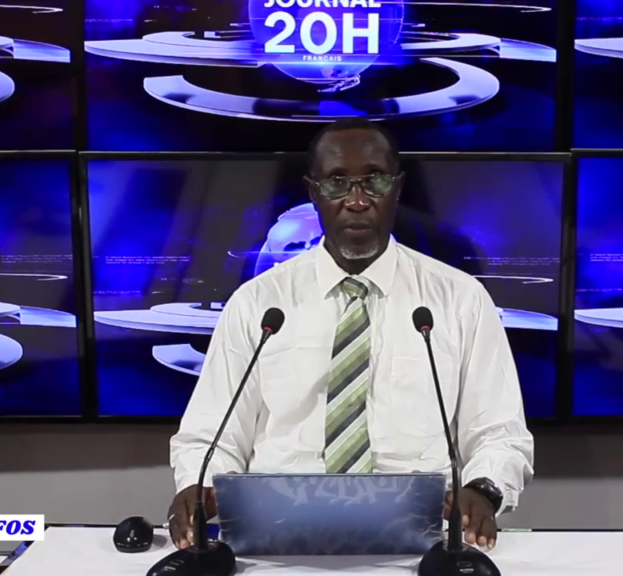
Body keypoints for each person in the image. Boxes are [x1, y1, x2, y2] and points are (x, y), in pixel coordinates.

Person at [168, 118, 534, 552]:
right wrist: (198, 486)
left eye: (374, 181)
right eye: (337, 182)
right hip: (275, 543)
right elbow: (211, 434)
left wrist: (483, 488)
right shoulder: (258, 303)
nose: (357, 201)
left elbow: (499, 432)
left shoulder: (459, 299)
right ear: (313, 192)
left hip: (425, 544)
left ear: (397, 188)